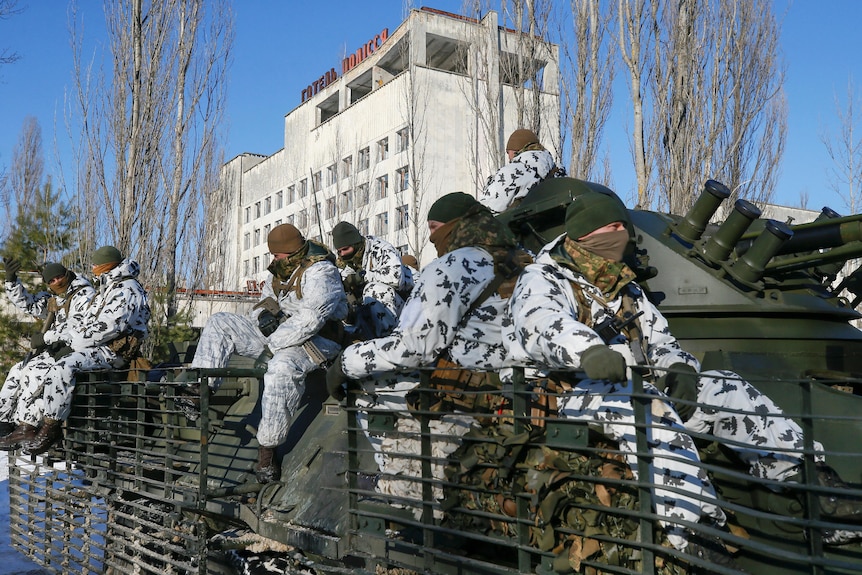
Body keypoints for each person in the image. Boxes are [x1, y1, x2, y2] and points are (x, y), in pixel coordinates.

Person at [506, 191, 862, 558]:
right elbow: (541, 324)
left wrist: (680, 368)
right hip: (566, 390)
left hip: (629, 382)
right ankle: (698, 534)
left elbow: (658, 339)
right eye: (609, 228)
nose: (619, 235)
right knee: (648, 408)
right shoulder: (543, 277)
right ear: (583, 234)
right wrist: (589, 351)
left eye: (621, 228)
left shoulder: (623, 286)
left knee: (726, 386)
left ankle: (816, 491)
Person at [326, 192, 527, 511]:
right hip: (522, 392)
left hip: (472, 392)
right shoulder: (524, 259)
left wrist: (347, 363)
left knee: (367, 386)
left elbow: (415, 346)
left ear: (452, 226)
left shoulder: (450, 267)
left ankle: (391, 482)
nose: (432, 237)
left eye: (434, 228)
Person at [180, 224, 347, 483]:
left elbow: (311, 319)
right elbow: (263, 303)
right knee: (220, 322)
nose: (273, 260)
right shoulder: (279, 273)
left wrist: (271, 347)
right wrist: (264, 317)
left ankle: (267, 453)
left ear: (292, 252)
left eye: (277, 255)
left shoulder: (321, 271)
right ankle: (199, 392)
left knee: (280, 368)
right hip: (281, 334)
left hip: (318, 340)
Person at [4, 246, 150, 455]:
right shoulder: (109, 286)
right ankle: (18, 425)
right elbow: (33, 306)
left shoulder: (125, 289)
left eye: (96, 264)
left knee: (61, 368)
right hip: (94, 346)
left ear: (107, 265)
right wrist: (12, 282)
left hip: (114, 351)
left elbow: (105, 328)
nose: (92, 268)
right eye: (50, 281)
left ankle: (50, 428)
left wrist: (61, 341)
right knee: (25, 368)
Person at [0, 261, 95, 447]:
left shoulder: (83, 294)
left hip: (74, 350)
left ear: (67, 274)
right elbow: (29, 304)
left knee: (35, 372)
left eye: (59, 277)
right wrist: (11, 281)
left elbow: (79, 328)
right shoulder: (54, 298)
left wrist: (47, 338)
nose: (57, 281)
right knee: (18, 371)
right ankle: (4, 422)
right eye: (51, 280)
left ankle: (27, 426)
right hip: (55, 349)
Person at [330, 221, 412, 341]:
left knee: (374, 289)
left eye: (345, 249)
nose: (342, 254)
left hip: (407, 306)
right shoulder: (345, 263)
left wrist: (362, 277)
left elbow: (396, 278)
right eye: (339, 251)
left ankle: (389, 342)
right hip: (370, 312)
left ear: (355, 243)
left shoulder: (380, 248)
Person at [479, 128, 563, 214]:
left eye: (508, 152)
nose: (508, 157)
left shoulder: (511, 172)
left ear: (515, 151)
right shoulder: (558, 172)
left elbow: (485, 209)